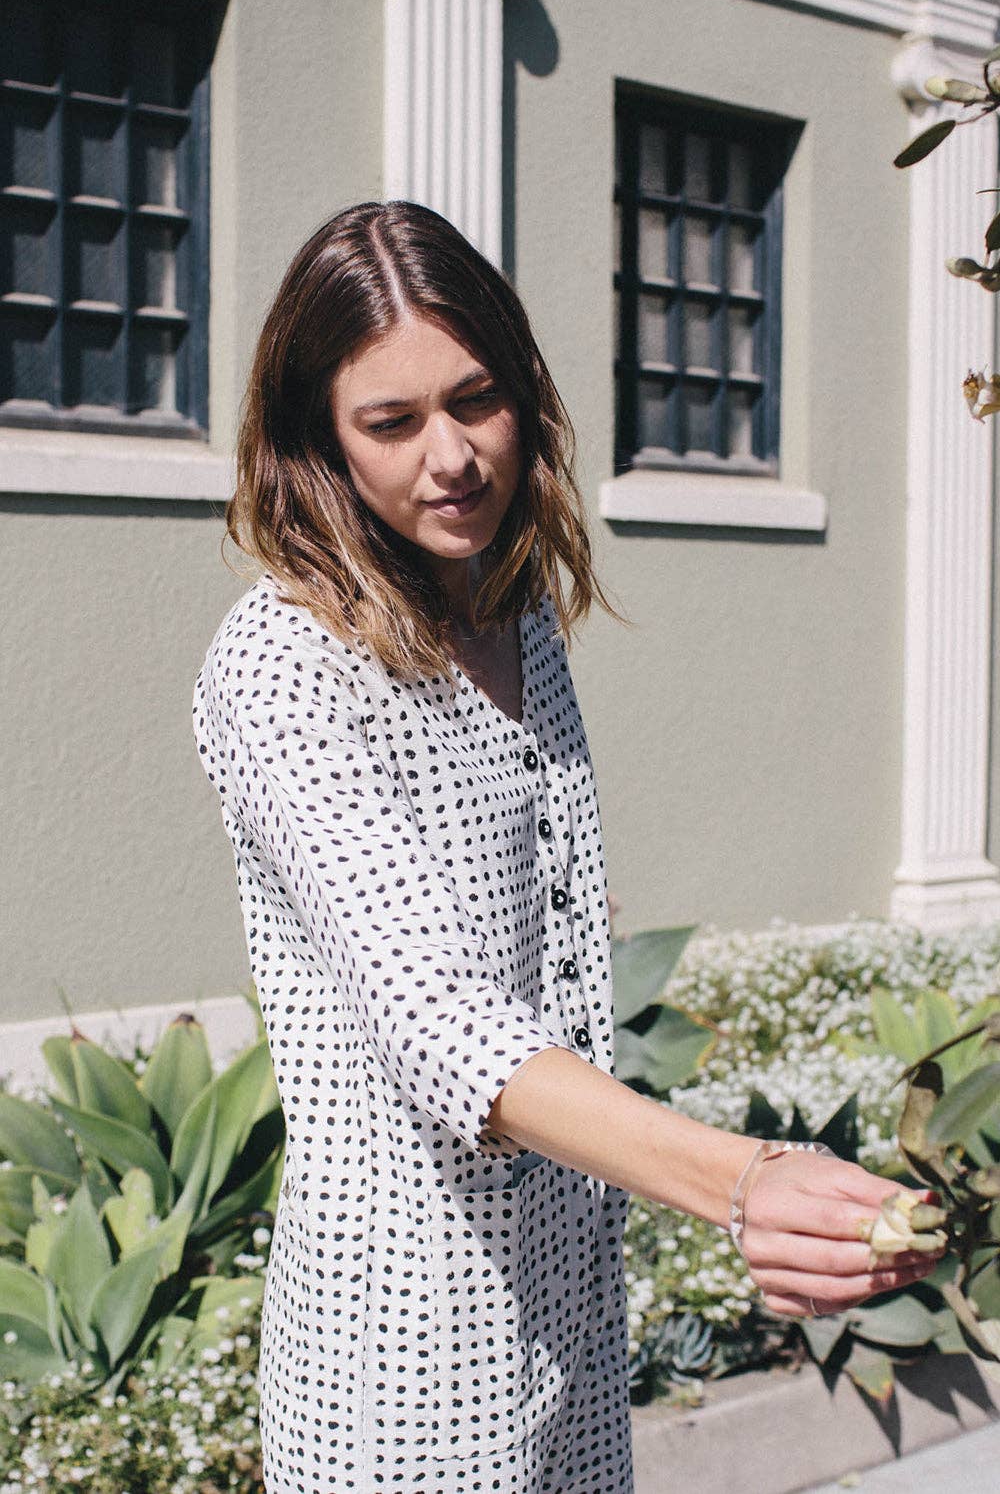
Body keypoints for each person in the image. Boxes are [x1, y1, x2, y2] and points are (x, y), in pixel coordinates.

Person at [192, 200, 941, 1494]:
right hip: (405, 1354)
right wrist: (740, 1178)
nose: (452, 457)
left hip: (574, 1311)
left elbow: (559, 988)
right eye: (392, 424)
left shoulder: (515, 612)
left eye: (476, 400)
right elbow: (439, 1021)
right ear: (314, 439)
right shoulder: (283, 664)